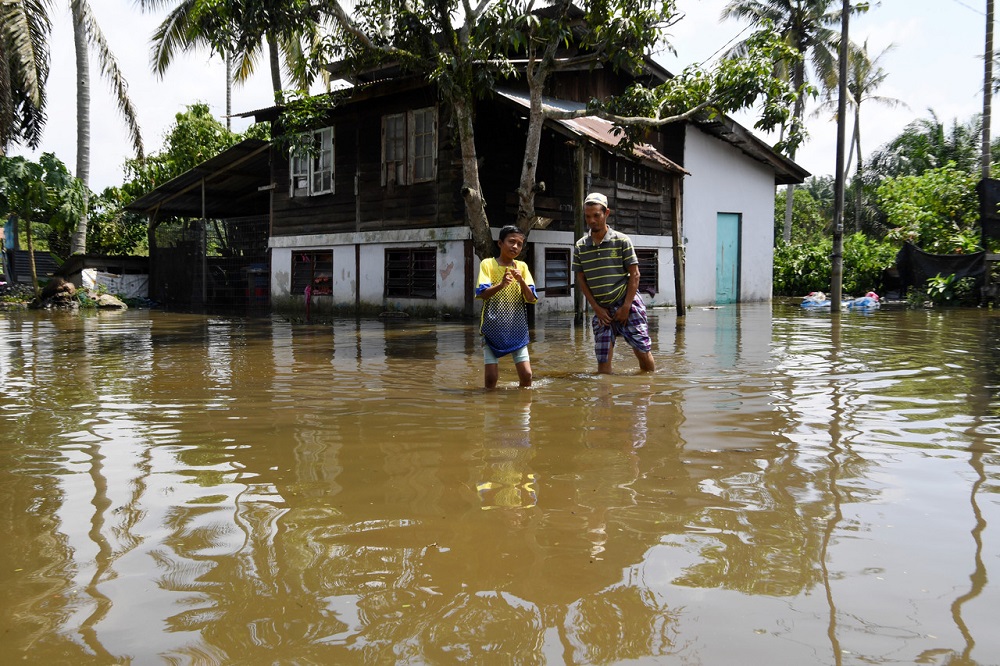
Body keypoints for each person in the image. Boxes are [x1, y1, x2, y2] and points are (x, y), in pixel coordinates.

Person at [573, 192, 655, 374]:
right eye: (587, 216)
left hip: (627, 303)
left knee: (642, 352)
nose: (591, 220)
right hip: (602, 309)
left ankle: (648, 392)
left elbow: (635, 275)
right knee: (603, 364)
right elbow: (581, 279)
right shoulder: (580, 246)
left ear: (606, 213)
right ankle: (604, 399)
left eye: (596, 215)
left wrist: (626, 306)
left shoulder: (622, 241)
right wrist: (596, 308)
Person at [476, 225, 538, 388]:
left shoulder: (522, 267)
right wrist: (501, 284)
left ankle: (524, 411)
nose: (515, 247)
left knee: (527, 375)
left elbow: (531, 298)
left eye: (519, 244)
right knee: (491, 378)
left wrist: (521, 281)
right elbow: (482, 293)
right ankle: (490, 410)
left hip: (516, 329)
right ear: (500, 243)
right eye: (511, 242)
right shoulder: (488, 264)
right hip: (491, 328)